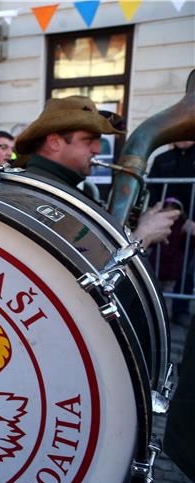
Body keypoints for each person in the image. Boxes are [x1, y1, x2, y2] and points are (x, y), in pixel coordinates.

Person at [14, 95, 179, 248]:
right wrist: (144, 235)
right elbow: (81, 267)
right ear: (54, 142)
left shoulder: (54, 186)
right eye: (89, 140)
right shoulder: (38, 192)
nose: (98, 149)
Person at [148, 141, 195, 325]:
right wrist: (157, 212)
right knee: (158, 265)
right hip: (165, 222)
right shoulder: (162, 159)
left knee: (187, 269)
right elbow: (153, 190)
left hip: (190, 225)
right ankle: (156, 309)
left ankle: (181, 310)